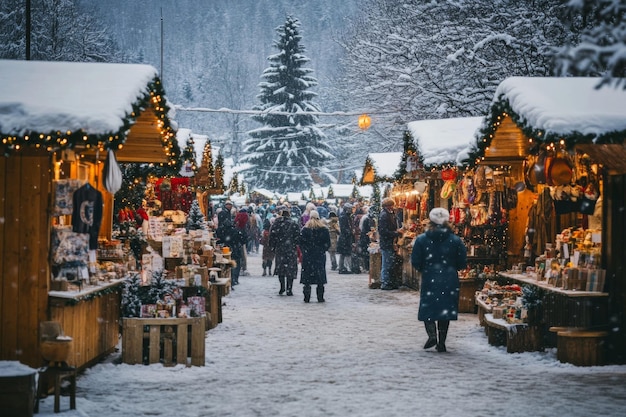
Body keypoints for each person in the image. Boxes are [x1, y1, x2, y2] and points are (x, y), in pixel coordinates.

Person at [410, 207, 467, 353]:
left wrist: (425, 268)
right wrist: (452, 267)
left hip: (430, 277)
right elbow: (462, 262)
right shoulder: (455, 240)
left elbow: (415, 261)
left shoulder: (422, 240)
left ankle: (432, 335)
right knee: (444, 309)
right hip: (449, 278)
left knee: (428, 307)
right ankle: (441, 342)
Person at [299, 210, 331, 303]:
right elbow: (327, 244)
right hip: (319, 256)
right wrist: (322, 250)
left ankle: (307, 297)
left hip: (308, 256)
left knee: (307, 279)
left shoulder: (305, 229)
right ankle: (320, 297)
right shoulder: (324, 229)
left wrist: (305, 251)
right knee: (320, 278)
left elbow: (301, 243)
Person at [269, 206, 300, 296]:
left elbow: (272, 236)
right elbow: (298, 237)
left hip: (280, 249)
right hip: (290, 249)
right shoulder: (293, 223)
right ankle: (289, 289)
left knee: (280, 269)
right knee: (290, 269)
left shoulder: (277, 223)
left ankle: (282, 287)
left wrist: (273, 246)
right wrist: (295, 244)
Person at [378, 198, 402, 290]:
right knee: (387, 264)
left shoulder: (389, 214)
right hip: (387, 243)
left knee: (390, 263)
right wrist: (396, 233)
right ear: (388, 206)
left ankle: (389, 282)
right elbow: (383, 231)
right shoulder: (384, 215)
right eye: (391, 205)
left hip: (389, 242)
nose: (393, 207)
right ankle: (385, 283)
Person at [336, 203, 354, 274]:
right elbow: (344, 228)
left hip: (345, 238)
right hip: (344, 238)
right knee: (344, 253)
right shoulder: (343, 216)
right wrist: (350, 232)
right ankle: (343, 268)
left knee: (344, 254)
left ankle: (343, 267)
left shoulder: (345, 216)